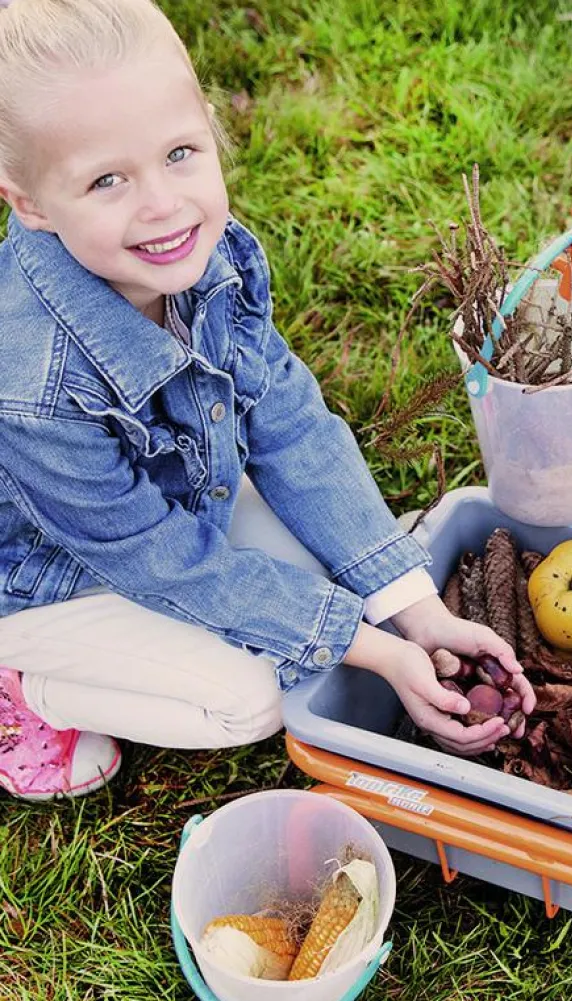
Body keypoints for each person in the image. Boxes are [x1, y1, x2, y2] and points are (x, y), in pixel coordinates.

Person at [0, 0, 534, 801]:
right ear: (30, 202)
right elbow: (158, 559)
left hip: (175, 510)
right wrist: (364, 644)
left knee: (348, 585)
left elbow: (289, 424)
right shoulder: (34, 384)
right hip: (50, 577)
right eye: (106, 179)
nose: (162, 204)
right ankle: (24, 689)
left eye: (180, 153)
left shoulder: (196, 255)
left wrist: (410, 607)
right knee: (250, 698)